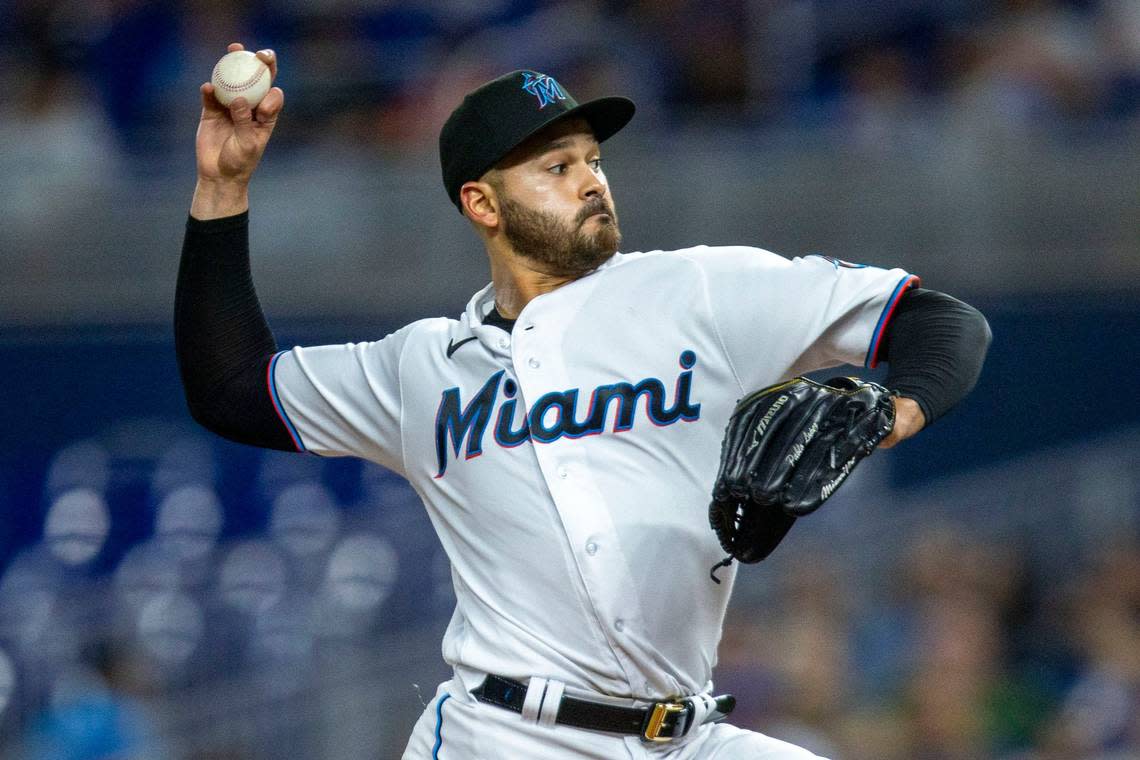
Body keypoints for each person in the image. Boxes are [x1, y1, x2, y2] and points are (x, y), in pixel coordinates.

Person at [176, 43, 991, 759]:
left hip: (687, 735)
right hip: (503, 735)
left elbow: (940, 322)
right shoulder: (419, 368)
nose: (592, 182)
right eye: (557, 167)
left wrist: (896, 411)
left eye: (593, 159)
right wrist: (223, 185)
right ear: (482, 204)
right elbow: (231, 389)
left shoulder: (697, 289)